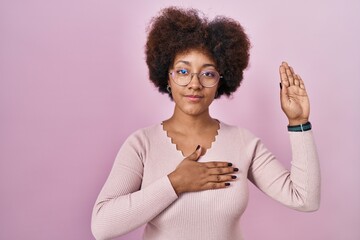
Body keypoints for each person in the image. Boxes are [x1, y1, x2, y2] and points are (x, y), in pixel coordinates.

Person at [91, 6, 320, 240]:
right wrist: (175, 183)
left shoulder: (243, 143)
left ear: (221, 81)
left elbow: (305, 198)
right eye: (183, 71)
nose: (194, 84)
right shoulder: (142, 144)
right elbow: (102, 226)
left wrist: (298, 122)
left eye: (208, 73)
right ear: (167, 77)